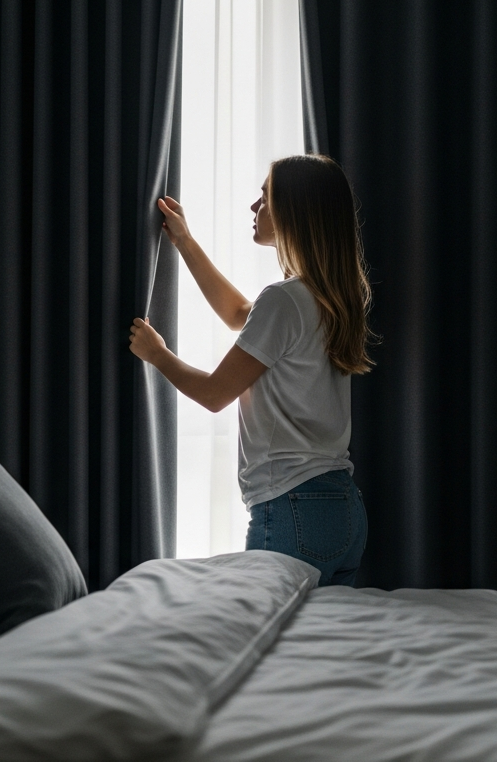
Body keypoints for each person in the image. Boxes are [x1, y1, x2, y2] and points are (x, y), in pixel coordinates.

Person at [128, 154, 375, 586]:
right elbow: (240, 312)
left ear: (295, 211)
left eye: (265, 197)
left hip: (292, 509)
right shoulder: (331, 296)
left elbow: (213, 394)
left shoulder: (284, 300)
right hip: (343, 512)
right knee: (313, 647)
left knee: (264, 636)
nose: (254, 207)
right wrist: (185, 241)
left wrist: (158, 355)